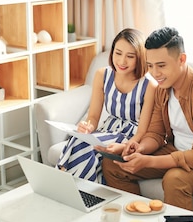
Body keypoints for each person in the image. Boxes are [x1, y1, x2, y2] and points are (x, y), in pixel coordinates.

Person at [102, 26, 193, 209]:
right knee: (113, 164)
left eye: (161, 65)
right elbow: (156, 134)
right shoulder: (162, 88)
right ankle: (140, 221)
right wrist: (139, 148)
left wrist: (148, 161)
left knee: (175, 179)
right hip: (176, 150)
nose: (155, 73)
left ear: (182, 59)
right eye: (150, 66)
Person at [56, 28, 156, 183]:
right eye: (118, 53)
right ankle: (69, 186)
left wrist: (125, 146)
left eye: (130, 56)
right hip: (107, 129)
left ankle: (69, 186)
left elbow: (143, 130)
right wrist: (87, 127)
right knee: (78, 139)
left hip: (131, 136)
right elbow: (94, 116)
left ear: (140, 57)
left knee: (85, 145)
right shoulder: (103, 75)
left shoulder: (149, 84)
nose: (122, 61)